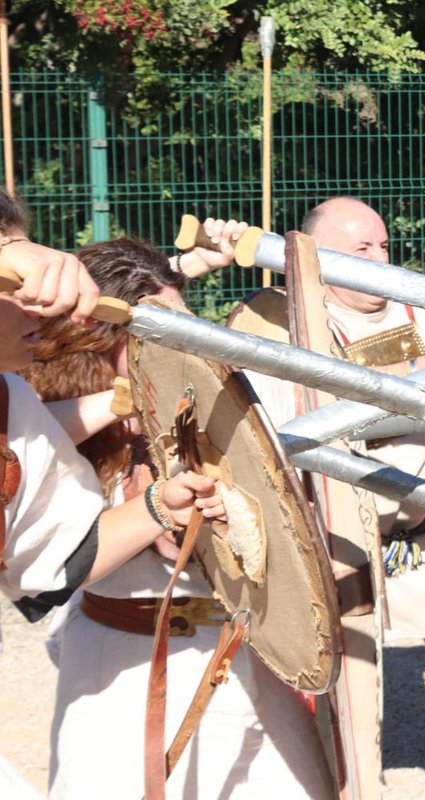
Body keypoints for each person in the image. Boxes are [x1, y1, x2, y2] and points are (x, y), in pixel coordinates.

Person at [24, 235, 334, 799]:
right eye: (161, 335)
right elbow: (47, 551)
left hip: (240, 655)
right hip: (116, 672)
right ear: (97, 342)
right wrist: (119, 410)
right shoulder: (54, 420)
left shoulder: (212, 404)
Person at [253, 197, 425, 799]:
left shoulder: (414, 306)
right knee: (352, 712)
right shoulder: (280, 320)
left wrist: (415, 372)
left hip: (424, 532)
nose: (379, 261)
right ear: (318, 258)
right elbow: (302, 397)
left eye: (382, 247)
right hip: (338, 539)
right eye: (360, 251)